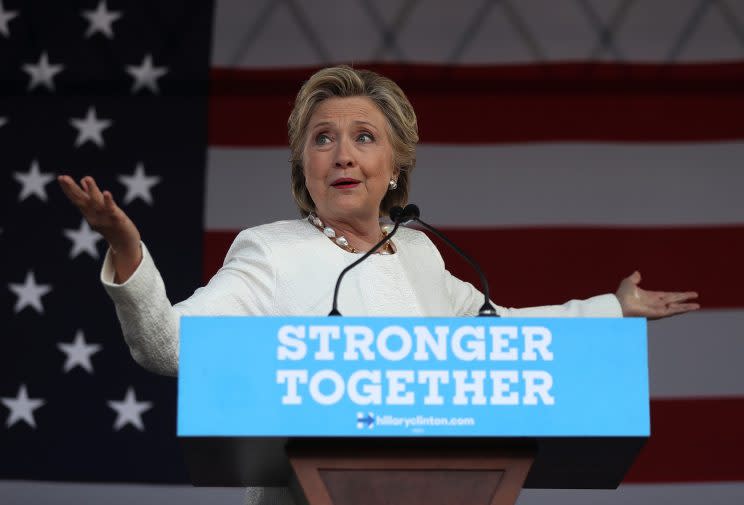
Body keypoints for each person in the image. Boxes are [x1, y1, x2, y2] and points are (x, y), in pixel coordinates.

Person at [58, 65, 699, 504]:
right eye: (323, 139)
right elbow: (168, 346)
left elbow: (503, 337)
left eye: (364, 138)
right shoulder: (271, 252)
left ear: (394, 168)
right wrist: (126, 247)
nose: (342, 154)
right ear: (302, 166)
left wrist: (610, 309)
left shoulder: (419, 254)